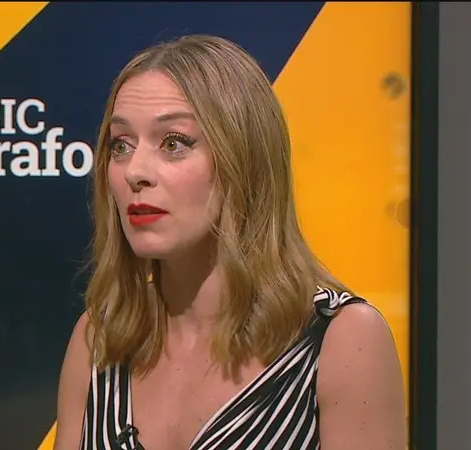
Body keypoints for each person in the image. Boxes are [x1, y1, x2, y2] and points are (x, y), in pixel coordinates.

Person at [54, 34, 406, 450]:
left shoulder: (344, 341)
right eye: (121, 145)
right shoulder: (100, 341)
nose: (135, 171)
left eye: (173, 143)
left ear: (244, 158)